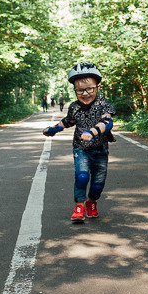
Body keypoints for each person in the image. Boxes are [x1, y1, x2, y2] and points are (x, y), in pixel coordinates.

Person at [43, 62, 116, 223]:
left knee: (98, 184)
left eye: (89, 88)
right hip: (81, 149)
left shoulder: (103, 104)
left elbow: (108, 123)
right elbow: (68, 121)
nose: (85, 93)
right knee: (82, 176)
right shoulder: (74, 107)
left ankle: (91, 201)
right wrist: (53, 129)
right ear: (75, 90)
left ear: (97, 87)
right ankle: (79, 206)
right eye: (80, 90)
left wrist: (92, 132)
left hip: (100, 149)